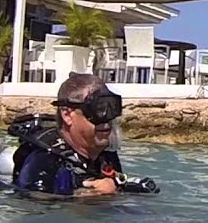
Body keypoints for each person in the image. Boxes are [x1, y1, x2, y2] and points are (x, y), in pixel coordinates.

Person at [9, 72, 154, 196]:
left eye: (110, 110)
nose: (106, 120)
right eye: (97, 111)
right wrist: (85, 198)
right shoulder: (44, 162)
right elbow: (34, 210)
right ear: (67, 115)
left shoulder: (106, 156)